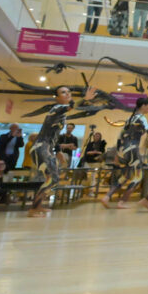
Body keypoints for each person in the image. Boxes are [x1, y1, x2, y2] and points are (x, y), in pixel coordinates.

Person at [28, 86, 93, 217]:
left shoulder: (61, 114)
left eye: (69, 92)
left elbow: (54, 137)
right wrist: (84, 99)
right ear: (57, 98)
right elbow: (70, 106)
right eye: (63, 92)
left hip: (47, 148)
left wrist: (57, 152)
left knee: (53, 178)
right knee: (52, 177)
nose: (67, 94)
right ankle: (33, 209)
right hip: (41, 147)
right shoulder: (57, 108)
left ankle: (38, 206)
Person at [100, 97, 148, 208]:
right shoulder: (141, 117)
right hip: (133, 149)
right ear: (143, 106)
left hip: (125, 150)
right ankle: (122, 202)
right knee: (138, 176)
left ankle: (107, 196)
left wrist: (118, 154)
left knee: (126, 176)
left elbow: (120, 136)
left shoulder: (130, 118)